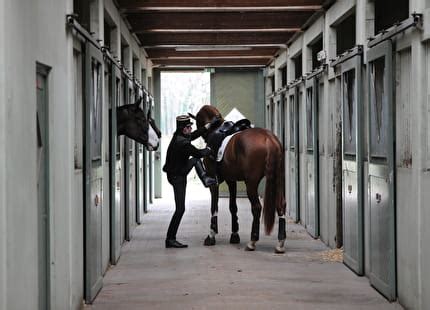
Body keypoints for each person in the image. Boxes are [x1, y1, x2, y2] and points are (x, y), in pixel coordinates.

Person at [163, 114, 218, 248]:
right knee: (180, 209)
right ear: (183, 128)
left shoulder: (180, 136)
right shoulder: (182, 143)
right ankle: (170, 239)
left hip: (177, 172)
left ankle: (205, 179)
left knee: (194, 161)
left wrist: (208, 126)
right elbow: (198, 153)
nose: (190, 129)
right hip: (177, 177)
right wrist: (209, 149)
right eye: (188, 127)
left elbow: (194, 135)